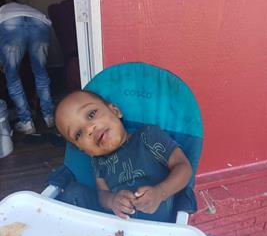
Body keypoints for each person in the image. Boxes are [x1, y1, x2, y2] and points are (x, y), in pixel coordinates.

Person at [55, 90, 193, 222]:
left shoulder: (148, 136)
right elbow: (103, 193)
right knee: (72, 193)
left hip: (156, 228)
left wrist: (160, 193)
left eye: (91, 114)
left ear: (115, 111)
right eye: (78, 134)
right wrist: (112, 201)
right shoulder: (98, 162)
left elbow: (183, 167)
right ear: (84, 150)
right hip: (115, 228)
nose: (89, 129)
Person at [0, 2, 55, 134]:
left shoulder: (3, 12)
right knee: (41, 73)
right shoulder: (21, 7)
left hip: (9, 22)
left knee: (12, 78)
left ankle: (27, 122)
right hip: (40, 22)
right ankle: (50, 117)